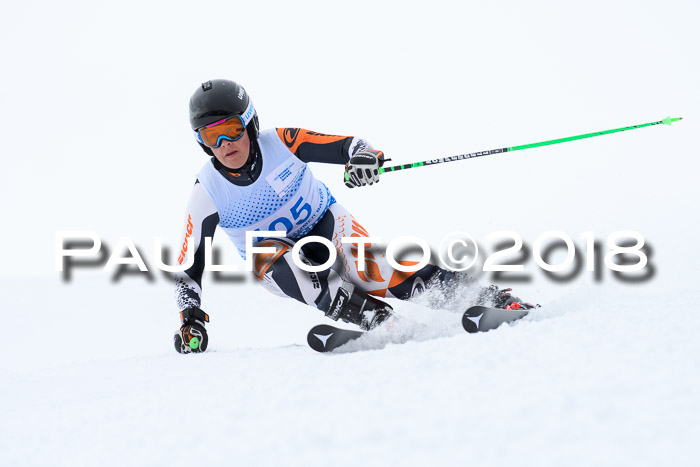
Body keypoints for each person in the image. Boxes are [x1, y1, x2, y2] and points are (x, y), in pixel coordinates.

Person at [173, 79, 533, 353]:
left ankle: (494, 300)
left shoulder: (282, 142)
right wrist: (190, 319)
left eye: (231, 130)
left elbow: (350, 146)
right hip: (277, 257)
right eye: (211, 136)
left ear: (249, 123)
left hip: (328, 226)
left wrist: (363, 159)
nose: (224, 145)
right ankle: (381, 323)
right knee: (276, 260)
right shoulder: (206, 191)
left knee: (371, 270)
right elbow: (189, 270)